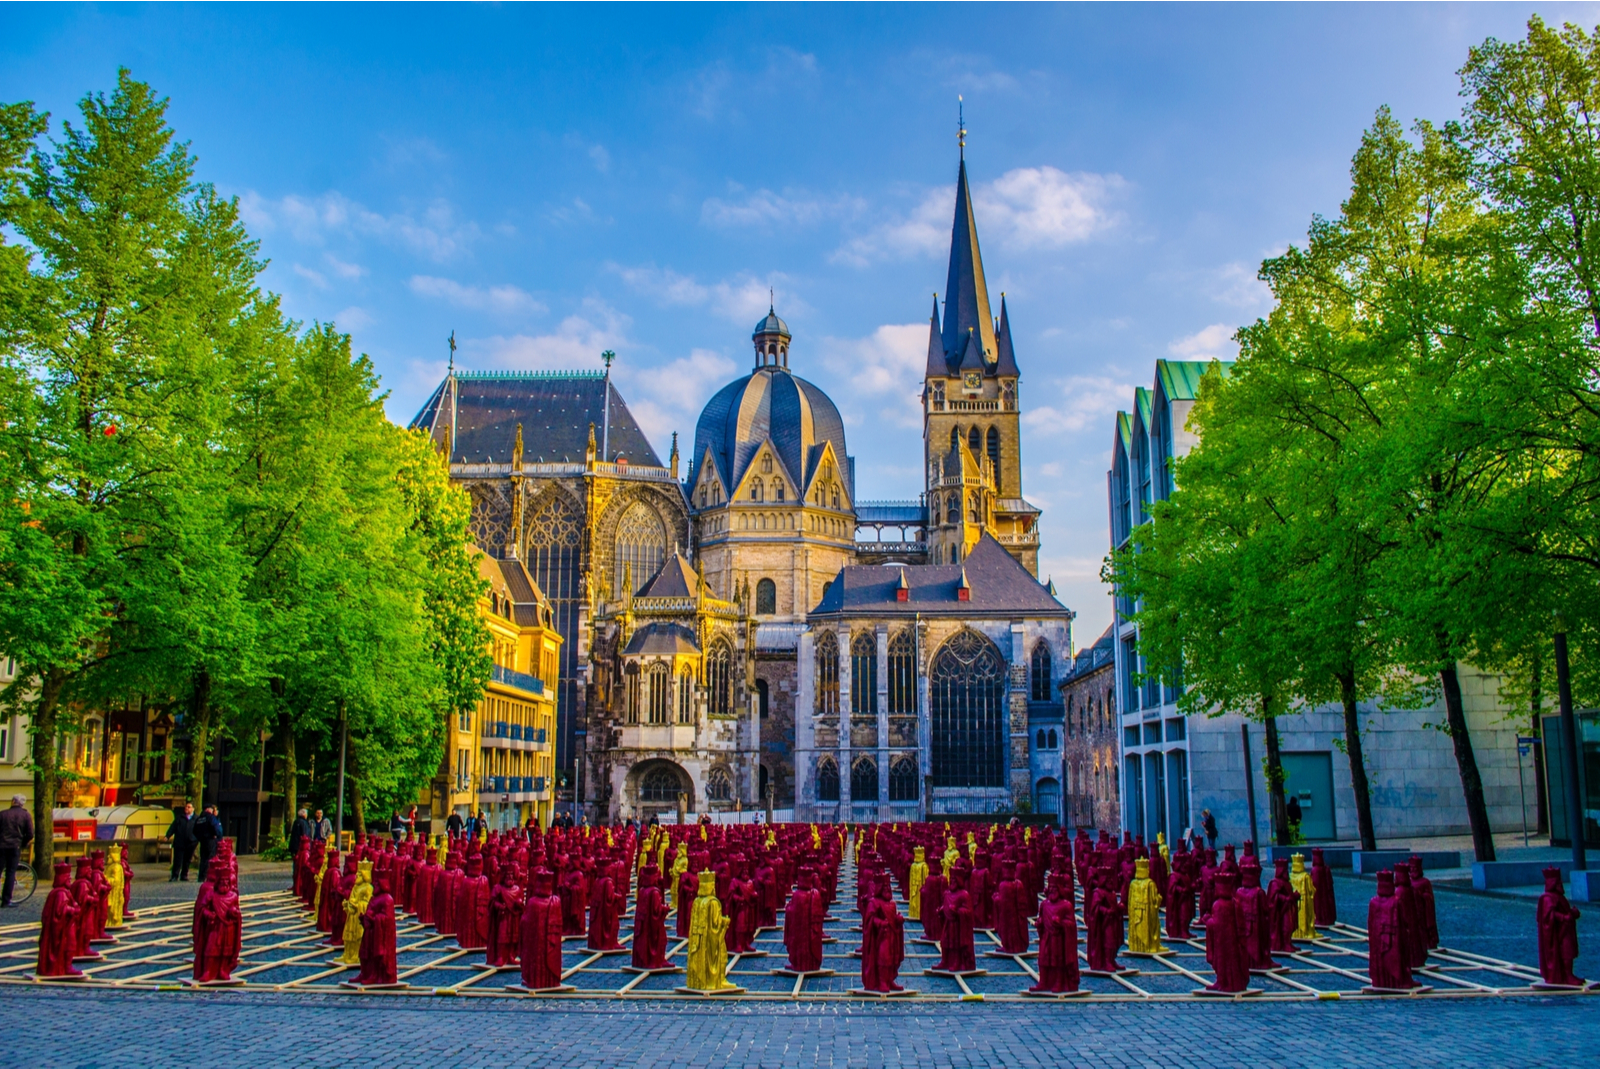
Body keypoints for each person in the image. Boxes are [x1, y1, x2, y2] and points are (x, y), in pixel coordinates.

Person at [0, 795, 33, 908]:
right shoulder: (25, 815)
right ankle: (5, 901)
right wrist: (22, 844)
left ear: (13, 801)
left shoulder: (3, 814)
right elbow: (30, 834)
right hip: (15, 847)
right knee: (10, 872)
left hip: (1, 846)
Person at [167, 803, 199, 882]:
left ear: (193, 809)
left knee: (187, 860)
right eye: (186, 807)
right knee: (177, 860)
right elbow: (173, 827)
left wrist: (196, 839)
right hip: (180, 841)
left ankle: (184, 875)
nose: (187, 808)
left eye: (189, 807)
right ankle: (175, 875)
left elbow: (200, 830)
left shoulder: (196, 819)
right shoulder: (180, 818)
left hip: (191, 842)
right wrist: (167, 835)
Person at [195, 805, 223, 880]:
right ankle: (209, 876)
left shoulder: (199, 818)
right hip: (210, 840)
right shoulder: (210, 817)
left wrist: (200, 838)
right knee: (211, 858)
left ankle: (201, 876)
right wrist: (216, 835)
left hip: (202, 841)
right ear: (208, 809)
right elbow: (216, 827)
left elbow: (195, 830)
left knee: (203, 859)